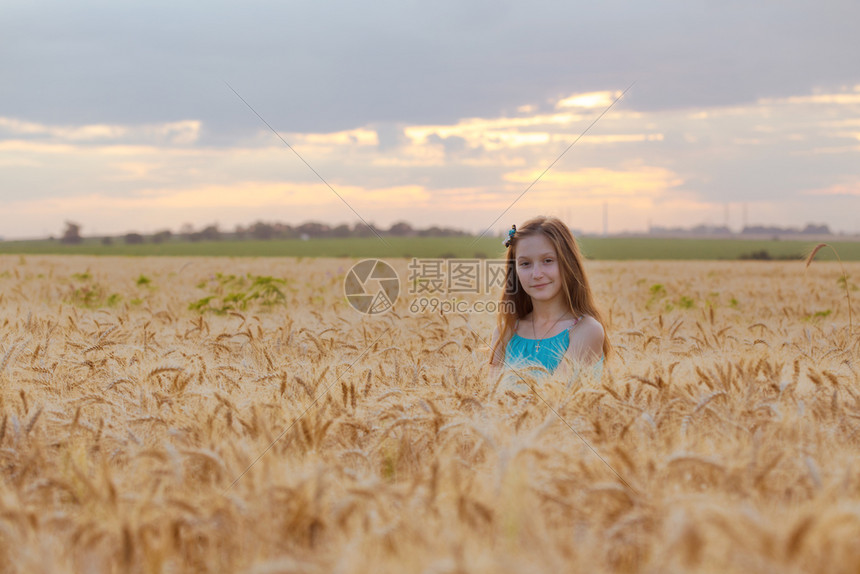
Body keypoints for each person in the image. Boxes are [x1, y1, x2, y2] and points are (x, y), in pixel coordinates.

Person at [488, 216, 610, 389]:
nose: (536, 273)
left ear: (568, 263)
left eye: (548, 261)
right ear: (514, 271)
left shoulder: (586, 331)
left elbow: (553, 398)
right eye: (525, 263)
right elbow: (490, 402)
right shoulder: (504, 332)